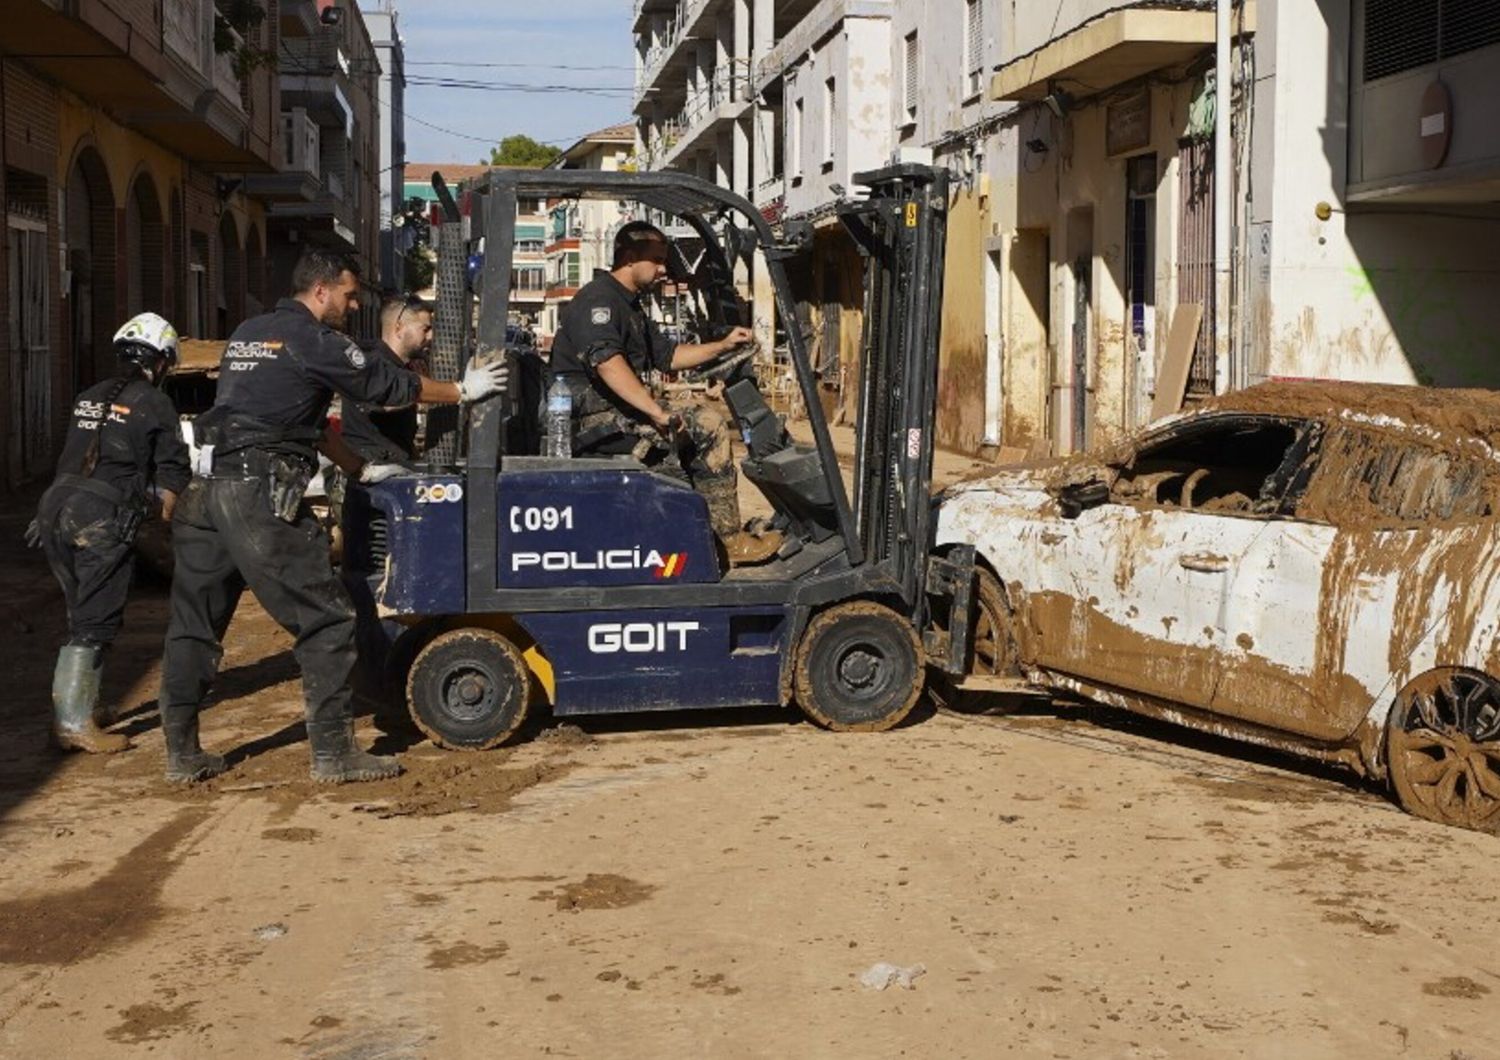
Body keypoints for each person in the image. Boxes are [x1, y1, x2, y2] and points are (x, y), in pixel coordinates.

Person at [157, 249, 508, 786]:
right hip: (257, 493)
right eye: (348, 295)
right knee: (328, 618)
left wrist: (361, 471)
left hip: (211, 490)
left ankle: (181, 755)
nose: (353, 305)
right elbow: (383, 387)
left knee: (194, 626)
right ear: (320, 291)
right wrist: (463, 391)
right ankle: (334, 754)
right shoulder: (311, 339)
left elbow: (308, 422)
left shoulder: (253, 333)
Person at [549, 221, 770, 560]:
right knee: (708, 425)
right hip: (590, 421)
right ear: (628, 258)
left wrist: (722, 345)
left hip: (615, 413)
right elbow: (607, 363)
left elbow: (670, 357)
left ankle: (700, 534)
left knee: (694, 421)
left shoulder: (630, 305)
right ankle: (727, 540)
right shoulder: (599, 300)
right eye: (657, 260)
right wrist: (657, 412)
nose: (664, 269)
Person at [30, 313, 190, 754]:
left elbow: (75, 457)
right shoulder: (155, 403)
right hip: (100, 517)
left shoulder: (89, 394)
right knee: (95, 618)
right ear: (160, 362)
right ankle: (72, 722)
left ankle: (83, 703)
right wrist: (162, 520)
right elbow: (174, 471)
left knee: (79, 613)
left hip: (54, 509)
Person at [338, 293, 432, 464]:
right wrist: (429, 391)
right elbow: (383, 402)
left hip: (393, 462)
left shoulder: (400, 367)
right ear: (399, 328)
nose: (430, 337)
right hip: (370, 467)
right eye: (424, 329)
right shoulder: (370, 363)